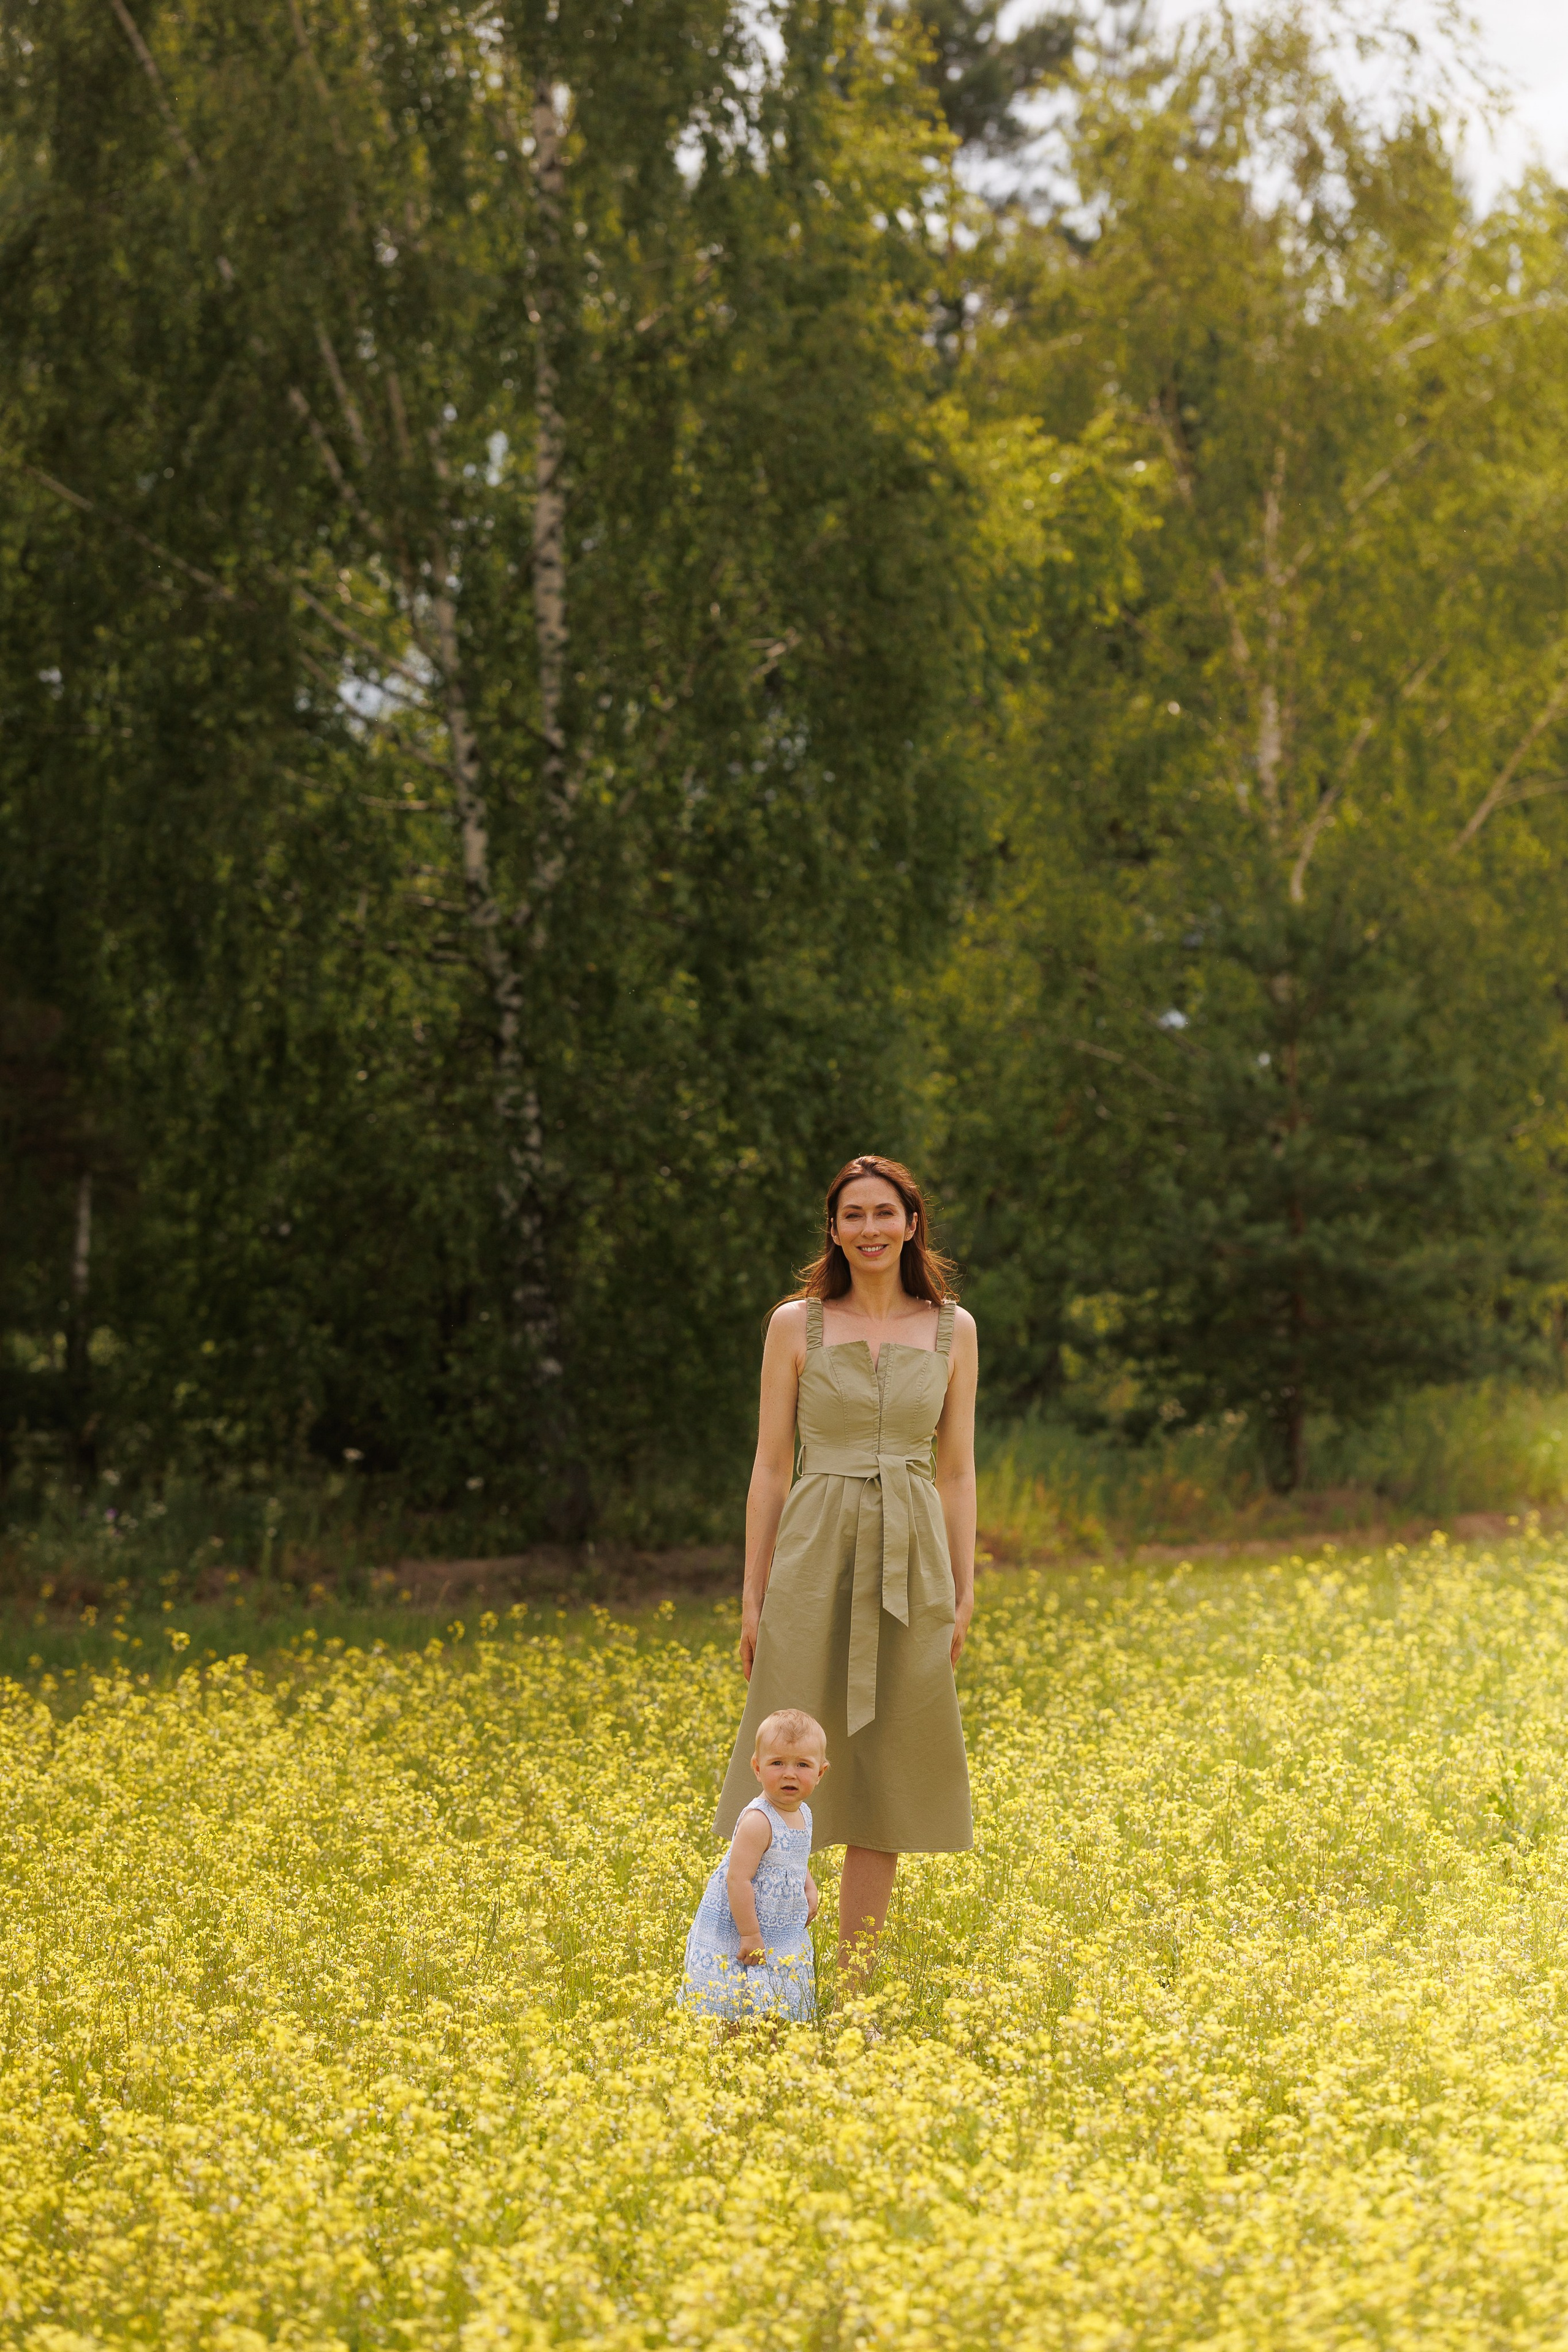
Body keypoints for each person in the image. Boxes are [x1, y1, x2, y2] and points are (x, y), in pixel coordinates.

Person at [714, 1154, 976, 1991]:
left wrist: (962, 1593)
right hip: (812, 1551)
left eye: (885, 1213)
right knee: (787, 1754)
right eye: (853, 1215)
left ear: (911, 1224)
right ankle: (765, 1966)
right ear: (834, 1229)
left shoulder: (952, 1329)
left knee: (887, 1762)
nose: (870, 1229)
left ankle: (857, 1982)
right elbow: (768, 1466)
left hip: (912, 1560)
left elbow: (958, 1472)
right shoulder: (797, 1324)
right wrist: (752, 1594)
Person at [682, 1708, 826, 2022]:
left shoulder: (805, 1813)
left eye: (802, 1765)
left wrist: (808, 1885)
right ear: (757, 1768)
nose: (789, 1773)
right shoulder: (758, 1820)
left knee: (777, 1994)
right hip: (744, 1922)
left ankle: (772, 2040)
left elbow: (794, 1857)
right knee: (738, 1994)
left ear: (820, 1773)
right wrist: (749, 1935)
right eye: (777, 1763)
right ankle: (733, 2038)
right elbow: (738, 1879)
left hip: (780, 1924)